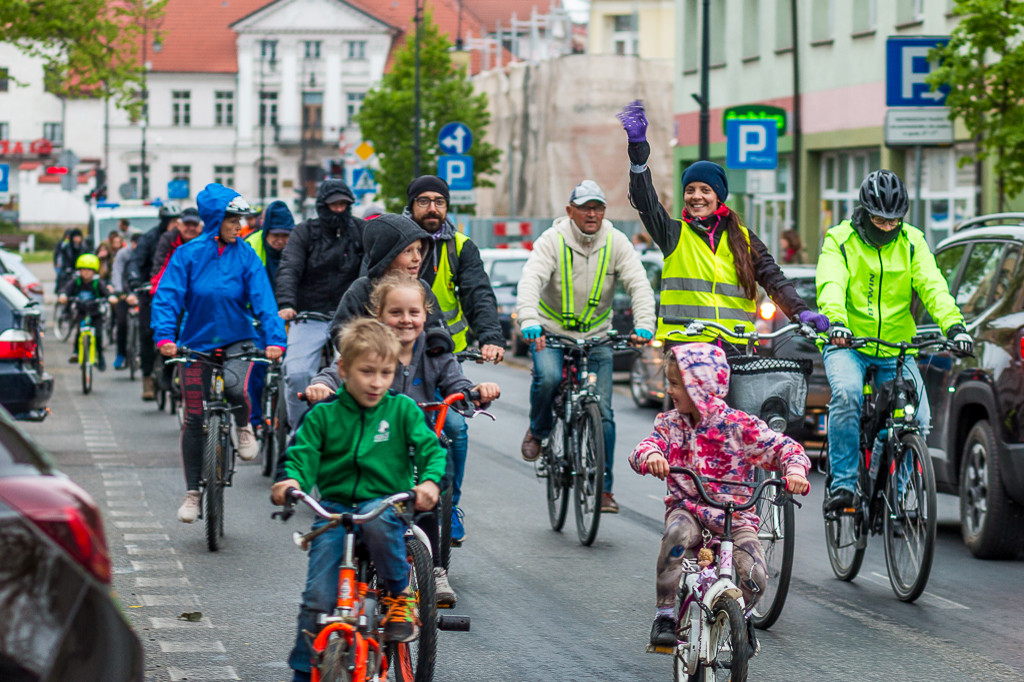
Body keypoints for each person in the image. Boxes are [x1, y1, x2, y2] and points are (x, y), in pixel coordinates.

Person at [271, 318, 447, 682]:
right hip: (334, 511)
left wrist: (429, 482)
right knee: (317, 599)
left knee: (377, 516)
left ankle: (399, 594)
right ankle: (304, 671)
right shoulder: (324, 415)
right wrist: (290, 481)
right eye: (367, 372)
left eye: (386, 372)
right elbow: (302, 454)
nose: (377, 382)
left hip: (387, 503)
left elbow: (431, 449)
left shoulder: (402, 411)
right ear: (343, 369)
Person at [310, 273, 498, 607]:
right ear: (379, 314)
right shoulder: (372, 347)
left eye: (414, 312)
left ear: (425, 314)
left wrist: (473, 392)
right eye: (396, 313)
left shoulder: (437, 349)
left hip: (419, 438)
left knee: (431, 496)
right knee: (362, 516)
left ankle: (435, 569)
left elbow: (456, 382)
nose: (405, 320)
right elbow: (338, 368)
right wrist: (322, 385)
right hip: (376, 444)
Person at [629, 342, 810, 648]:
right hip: (689, 510)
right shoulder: (670, 424)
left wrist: (795, 471)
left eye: (676, 384)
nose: (670, 391)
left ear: (699, 387)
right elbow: (644, 448)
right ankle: (664, 615)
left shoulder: (740, 426)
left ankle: (744, 617)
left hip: (734, 518)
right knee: (675, 536)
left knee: (756, 576)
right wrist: (652, 458)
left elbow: (784, 447)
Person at [816, 169, 971, 512]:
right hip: (848, 344)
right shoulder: (839, 240)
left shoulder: (913, 241)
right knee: (847, 394)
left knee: (918, 417)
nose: (887, 227)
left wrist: (954, 326)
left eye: (893, 221)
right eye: (879, 220)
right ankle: (842, 484)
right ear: (864, 212)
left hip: (895, 348)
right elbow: (831, 284)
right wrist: (837, 322)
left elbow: (933, 286)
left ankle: (896, 493)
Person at [616, 100, 829, 349]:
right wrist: (638, 155)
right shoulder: (674, 233)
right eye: (690, 190)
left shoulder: (744, 238)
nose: (696, 196)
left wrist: (800, 312)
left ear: (718, 196)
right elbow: (646, 202)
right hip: (687, 348)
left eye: (705, 190)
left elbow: (774, 279)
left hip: (736, 347)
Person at [516, 179, 657, 513]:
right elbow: (531, 279)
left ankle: (604, 490)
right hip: (550, 332)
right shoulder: (552, 240)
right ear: (570, 211)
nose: (592, 214)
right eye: (585, 208)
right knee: (548, 378)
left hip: (597, 336)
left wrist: (644, 325)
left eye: (598, 207)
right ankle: (538, 430)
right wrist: (528, 319)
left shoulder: (616, 241)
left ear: (604, 212)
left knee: (604, 414)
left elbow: (639, 284)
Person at [151, 184, 285, 524]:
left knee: (235, 388)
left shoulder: (246, 255)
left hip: (239, 339)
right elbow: (167, 296)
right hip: (195, 343)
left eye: (241, 220)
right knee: (194, 417)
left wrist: (275, 340)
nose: (239, 226)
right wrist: (166, 336)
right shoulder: (187, 255)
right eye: (233, 220)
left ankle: (243, 426)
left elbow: (264, 300)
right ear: (216, 219)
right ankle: (193, 493)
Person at [404, 175, 506, 541]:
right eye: (424, 201)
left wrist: (491, 339)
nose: (433, 208)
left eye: (440, 202)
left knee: (455, 428)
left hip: (445, 355)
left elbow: (479, 295)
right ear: (411, 205)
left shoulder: (461, 247)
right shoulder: (395, 243)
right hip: (395, 356)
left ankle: (451, 505)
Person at [275, 179, 366, 432]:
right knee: (296, 373)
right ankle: (299, 433)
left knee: (358, 372)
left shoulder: (361, 231)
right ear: (322, 206)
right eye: (334, 204)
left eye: (343, 205)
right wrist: (287, 303)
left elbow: (371, 271)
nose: (338, 209)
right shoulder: (304, 232)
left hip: (350, 318)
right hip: (308, 314)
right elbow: (289, 268)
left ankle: (351, 431)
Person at [244, 200, 295, 431]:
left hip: (289, 316)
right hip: (256, 316)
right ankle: (254, 421)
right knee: (255, 368)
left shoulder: (298, 246)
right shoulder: (250, 245)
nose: (280, 240)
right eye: (275, 235)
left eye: (286, 235)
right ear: (266, 231)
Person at [127, 203, 183, 400]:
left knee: (177, 333)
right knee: (147, 333)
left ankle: (172, 375)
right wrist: (135, 280)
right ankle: (147, 377)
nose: (175, 224)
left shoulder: (182, 239)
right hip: (150, 292)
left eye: (178, 221)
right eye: (172, 221)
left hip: (175, 294)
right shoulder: (149, 238)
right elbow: (136, 260)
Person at [58, 254, 117, 370]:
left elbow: (106, 292)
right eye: (83, 270)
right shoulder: (76, 282)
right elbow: (66, 289)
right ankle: (76, 352)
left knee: (98, 335)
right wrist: (63, 295)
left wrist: (110, 297)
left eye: (89, 270)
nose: (86, 273)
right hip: (81, 311)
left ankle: (100, 356)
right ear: (79, 270)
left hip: (96, 313)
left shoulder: (97, 283)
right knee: (79, 331)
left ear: (94, 271)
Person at [150, 207, 204, 293]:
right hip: (173, 284)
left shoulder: (206, 242)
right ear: (178, 225)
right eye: (187, 224)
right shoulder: (168, 239)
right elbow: (160, 266)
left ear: (201, 227)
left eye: (195, 225)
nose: (191, 228)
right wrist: (158, 290)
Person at [111, 233, 140, 369]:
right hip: (124, 293)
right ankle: (121, 354)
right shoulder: (123, 254)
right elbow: (116, 272)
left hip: (141, 293)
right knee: (121, 322)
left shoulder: (146, 253)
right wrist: (119, 292)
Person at [54, 227, 87, 292]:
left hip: (80, 270)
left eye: (79, 237)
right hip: (69, 271)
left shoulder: (84, 248)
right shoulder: (67, 248)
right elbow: (64, 260)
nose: (77, 239)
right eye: (76, 237)